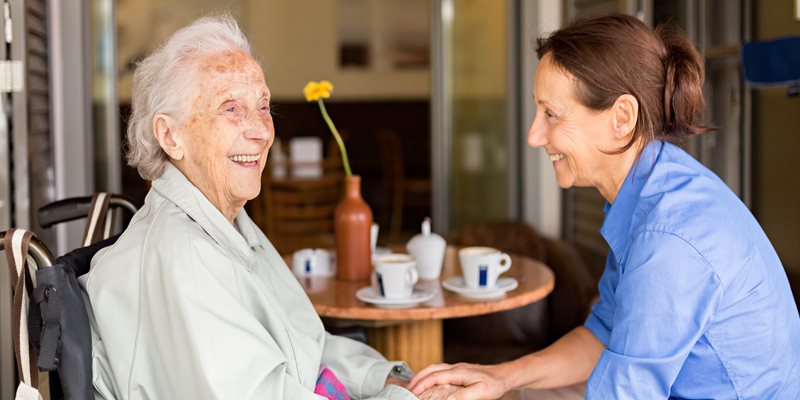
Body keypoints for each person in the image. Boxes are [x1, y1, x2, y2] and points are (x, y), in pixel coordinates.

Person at [409, 13, 800, 399]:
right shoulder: (646, 190)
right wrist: (500, 377)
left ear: (622, 118)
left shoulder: (668, 238)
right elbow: (604, 333)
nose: (533, 135)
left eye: (551, 114)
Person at [81, 15, 418, 400]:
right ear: (170, 136)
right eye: (230, 109)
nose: (261, 129)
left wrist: (387, 380)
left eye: (263, 106)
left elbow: (307, 343)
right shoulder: (187, 257)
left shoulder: (228, 222)